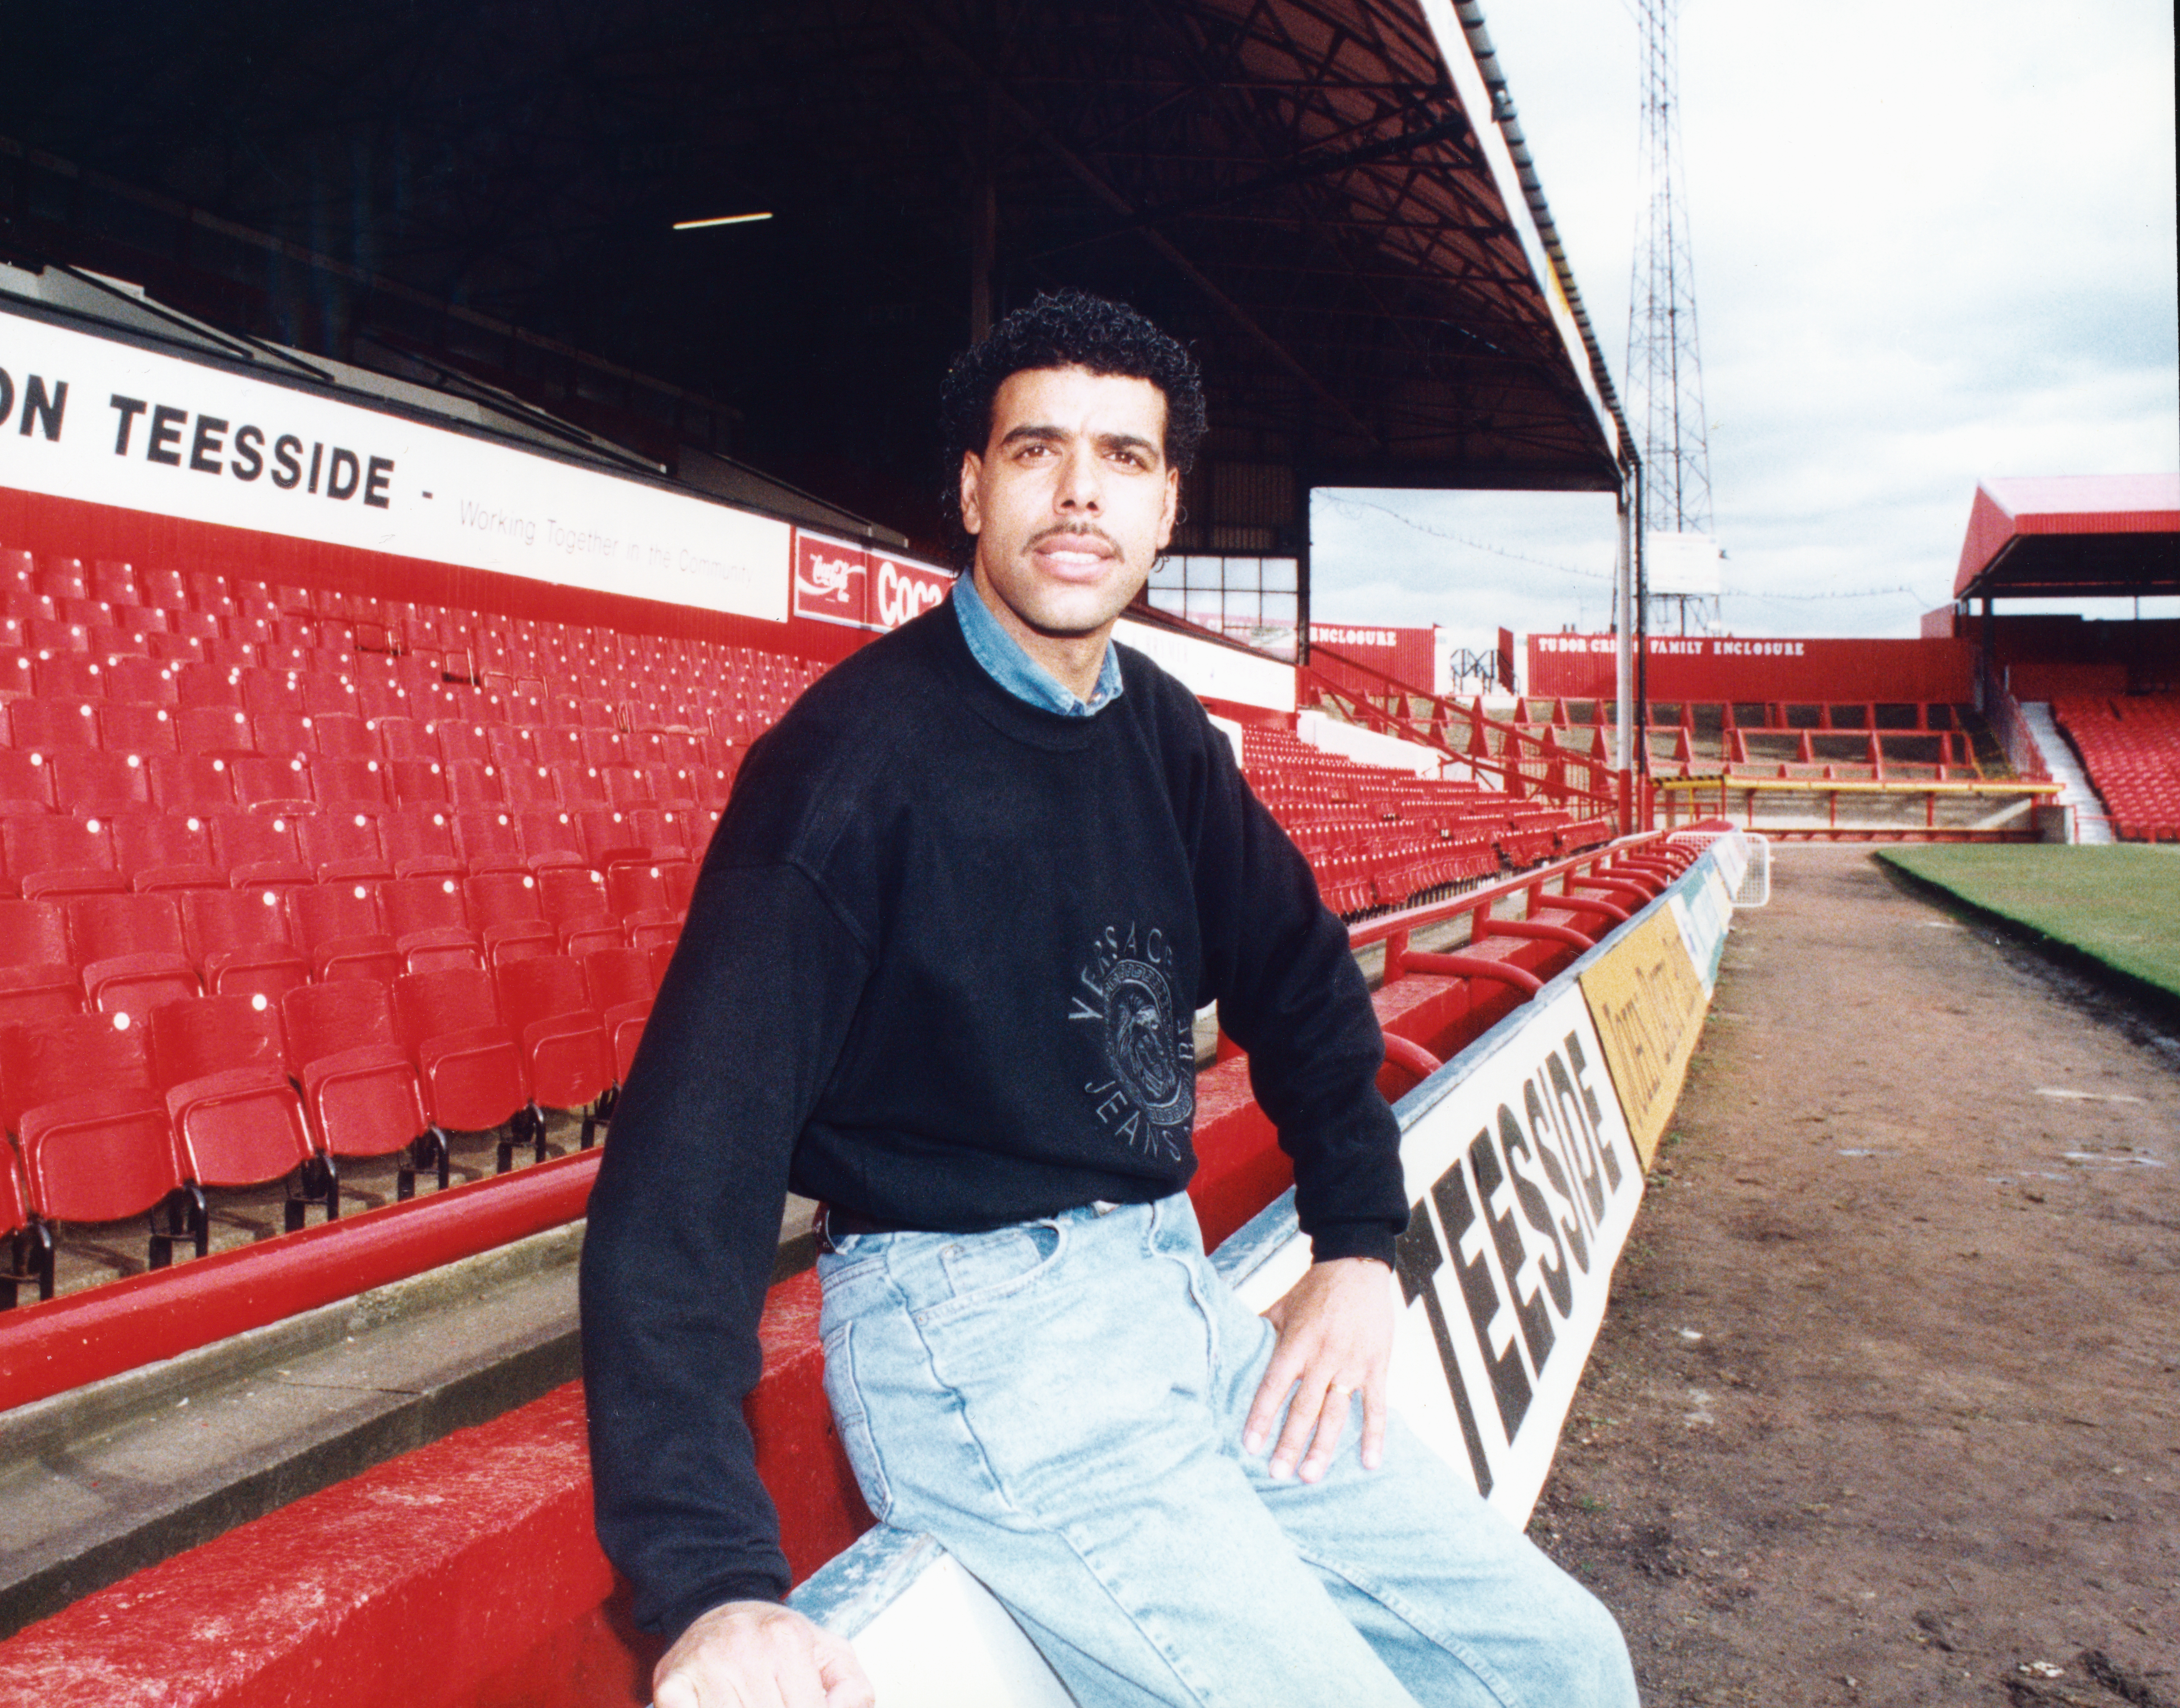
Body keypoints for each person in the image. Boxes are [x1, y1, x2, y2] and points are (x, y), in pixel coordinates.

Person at [581, 289, 1638, 1708]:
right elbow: (680, 1182)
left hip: (1172, 1302)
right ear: (971, 489)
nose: (1081, 494)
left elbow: (1304, 974)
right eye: (1037, 452)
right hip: (979, 1336)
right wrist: (708, 1583)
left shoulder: (1160, 729)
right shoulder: (848, 766)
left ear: (1163, 510)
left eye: (1123, 462)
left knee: (1563, 1666)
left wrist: (1358, 1240)